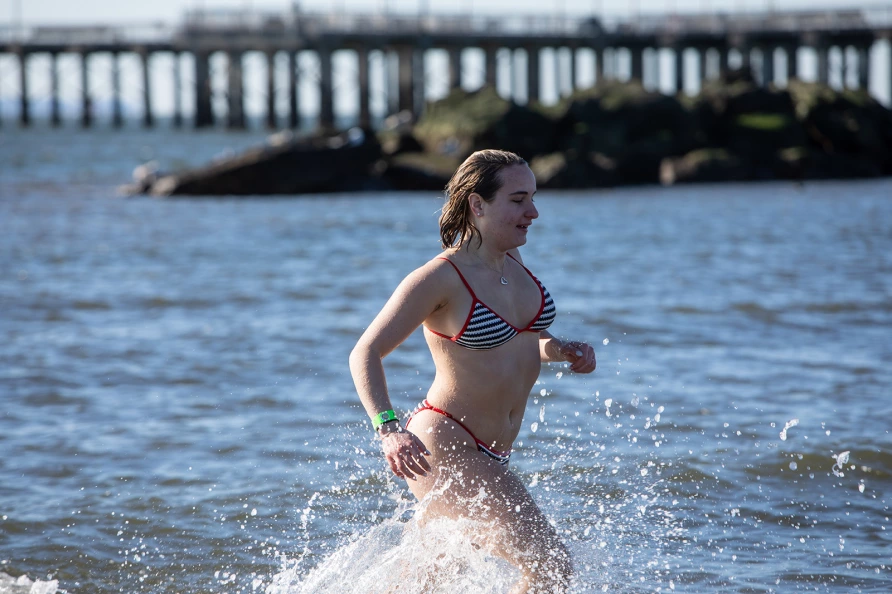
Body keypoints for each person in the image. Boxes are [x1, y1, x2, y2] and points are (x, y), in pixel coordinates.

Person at [349, 149, 596, 594]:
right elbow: (364, 353)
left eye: (533, 198)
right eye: (518, 200)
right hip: (445, 445)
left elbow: (522, 341)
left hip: (491, 453)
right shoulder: (439, 278)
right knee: (551, 565)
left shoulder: (512, 262)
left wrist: (562, 350)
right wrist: (389, 430)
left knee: (433, 583)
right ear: (477, 205)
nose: (533, 212)